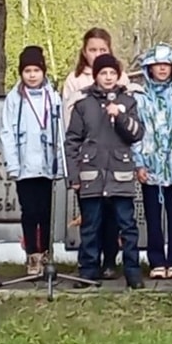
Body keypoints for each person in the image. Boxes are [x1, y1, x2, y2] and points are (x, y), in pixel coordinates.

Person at [65, 54, 145, 288]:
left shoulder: (128, 101)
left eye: (112, 73)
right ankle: (87, 272)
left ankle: (132, 272)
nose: (108, 78)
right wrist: (74, 176)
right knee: (90, 226)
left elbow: (136, 133)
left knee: (127, 226)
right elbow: (72, 142)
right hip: (91, 175)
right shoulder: (83, 103)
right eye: (103, 73)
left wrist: (118, 115)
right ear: (96, 75)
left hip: (120, 174)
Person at [132, 44, 172, 280]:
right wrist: (139, 163)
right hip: (149, 166)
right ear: (149, 67)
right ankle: (156, 260)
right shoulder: (140, 96)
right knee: (152, 215)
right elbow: (136, 132)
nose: (162, 69)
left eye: (166, 65)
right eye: (157, 65)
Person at [0, 45, 64, 276]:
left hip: (47, 165)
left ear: (44, 71)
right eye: (27, 70)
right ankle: (32, 255)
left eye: (36, 70)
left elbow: (60, 131)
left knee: (46, 211)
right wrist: (13, 164)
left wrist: (60, 163)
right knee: (29, 211)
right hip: (25, 165)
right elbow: (7, 132)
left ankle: (46, 253)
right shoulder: (14, 98)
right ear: (21, 73)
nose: (32, 75)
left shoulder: (53, 97)